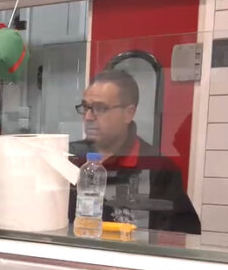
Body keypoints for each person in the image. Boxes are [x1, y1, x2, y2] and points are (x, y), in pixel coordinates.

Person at [69, 69, 201, 234]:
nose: (88, 117)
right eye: (85, 107)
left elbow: (184, 236)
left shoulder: (158, 169)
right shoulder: (71, 159)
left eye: (100, 108)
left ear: (129, 113)